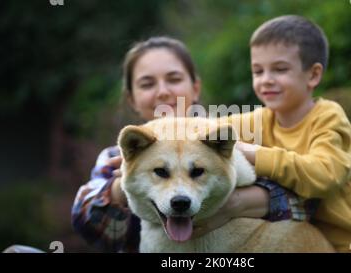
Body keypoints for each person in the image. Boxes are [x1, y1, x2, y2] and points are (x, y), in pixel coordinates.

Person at [71, 36, 318, 252]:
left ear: (195, 87)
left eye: (174, 78)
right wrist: (121, 185)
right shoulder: (116, 156)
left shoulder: (230, 142)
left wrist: (238, 203)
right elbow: (88, 223)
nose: (163, 92)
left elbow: (313, 200)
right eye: (147, 84)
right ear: (132, 99)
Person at [228, 15, 351, 253]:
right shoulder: (261, 120)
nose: (266, 80)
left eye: (279, 69)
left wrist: (254, 153)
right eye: (258, 71)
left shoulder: (328, 118)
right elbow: (209, 129)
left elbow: (322, 176)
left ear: (313, 75)